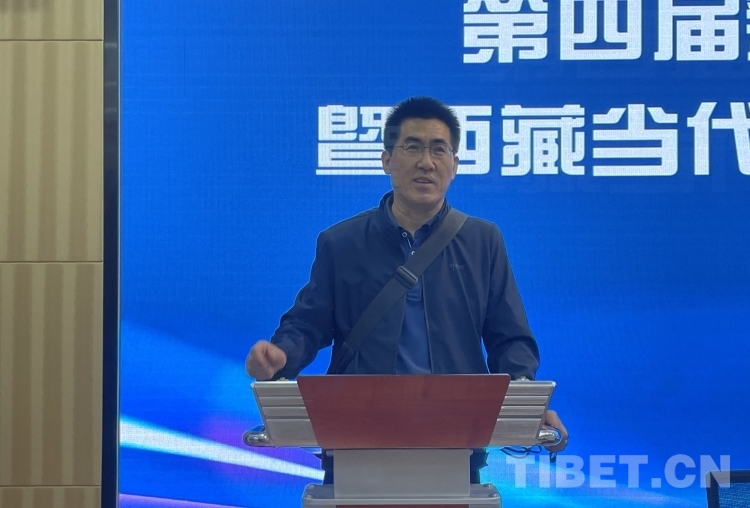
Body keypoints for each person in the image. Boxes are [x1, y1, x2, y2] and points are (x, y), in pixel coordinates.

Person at [246, 96, 568, 483]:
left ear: (455, 165)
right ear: (387, 160)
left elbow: (510, 338)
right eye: (412, 147)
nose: (426, 162)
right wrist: (280, 355)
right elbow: (308, 323)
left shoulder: (482, 241)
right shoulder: (342, 242)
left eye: (439, 149)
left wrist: (525, 405)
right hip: (356, 438)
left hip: (455, 439)